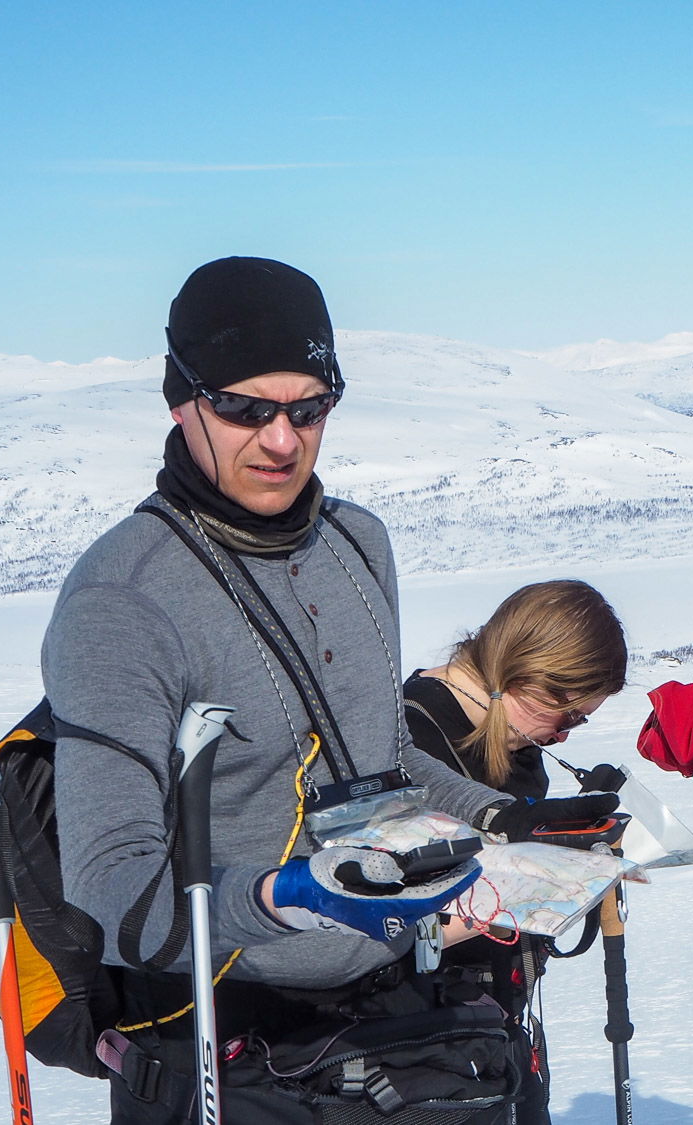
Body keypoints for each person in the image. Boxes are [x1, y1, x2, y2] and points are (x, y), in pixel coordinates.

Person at [42, 257, 597, 1123]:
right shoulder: (124, 598)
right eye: (244, 408)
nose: (281, 439)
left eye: (309, 408)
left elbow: (384, 749)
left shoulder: (358, 543)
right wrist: (277, 897)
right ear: (180, 397)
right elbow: (113, 888)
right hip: (230, 1053)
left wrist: (505, 819)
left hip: (400, 1025)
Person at [401, 579, 630, 1125]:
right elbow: (409, 907)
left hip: (497, 1014)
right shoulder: (413, 732)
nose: (564, 737)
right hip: (430, 1034)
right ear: (528, 679)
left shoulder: (511, 734)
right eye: (567, 716)